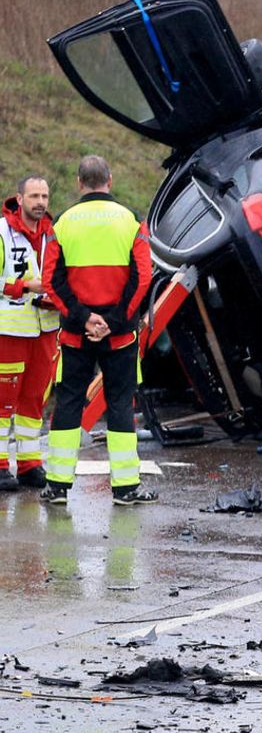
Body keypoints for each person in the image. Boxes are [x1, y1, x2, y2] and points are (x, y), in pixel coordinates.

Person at [39, 156, 154, 505]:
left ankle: (57, 486)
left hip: (75, 334)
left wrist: (83, 318)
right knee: (119, 402)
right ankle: (125, 488)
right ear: (110, 179)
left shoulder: (63, 223)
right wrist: (114, 321)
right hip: (119, 337)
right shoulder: (130, 221)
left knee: (70, 401)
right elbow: (143, 277)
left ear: (79, 182)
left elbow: (51, 281)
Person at [0, 176, 59, 490]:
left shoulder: (53, 233)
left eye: (45, 196)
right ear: (19, 199)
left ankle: (29, 464)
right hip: (9, 330)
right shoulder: (1, 231)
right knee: (2, 401)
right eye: (34, 196)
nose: (40, 202)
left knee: (34, 400)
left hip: (45, 327)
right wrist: (25, 287)